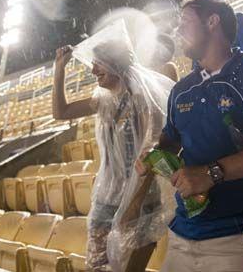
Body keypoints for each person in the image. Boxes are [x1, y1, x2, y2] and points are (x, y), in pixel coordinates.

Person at [135, 0, 243, 272]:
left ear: (212, 21)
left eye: (184, 22)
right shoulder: (182, 90)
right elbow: (170, 141)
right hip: (182, 233)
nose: (177, 30)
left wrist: (212, 172)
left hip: (241, 235)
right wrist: (153, 154)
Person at [52, 27, 174, 272]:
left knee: (129, 268)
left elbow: (153, 150)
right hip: (107, 197)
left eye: (99, 64)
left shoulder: (142, 99)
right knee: (97, 266)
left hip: (142, 198)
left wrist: (134, 201)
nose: (93, 70)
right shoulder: (103, 99)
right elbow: (61, 113)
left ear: (116, 64)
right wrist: (59, 70)